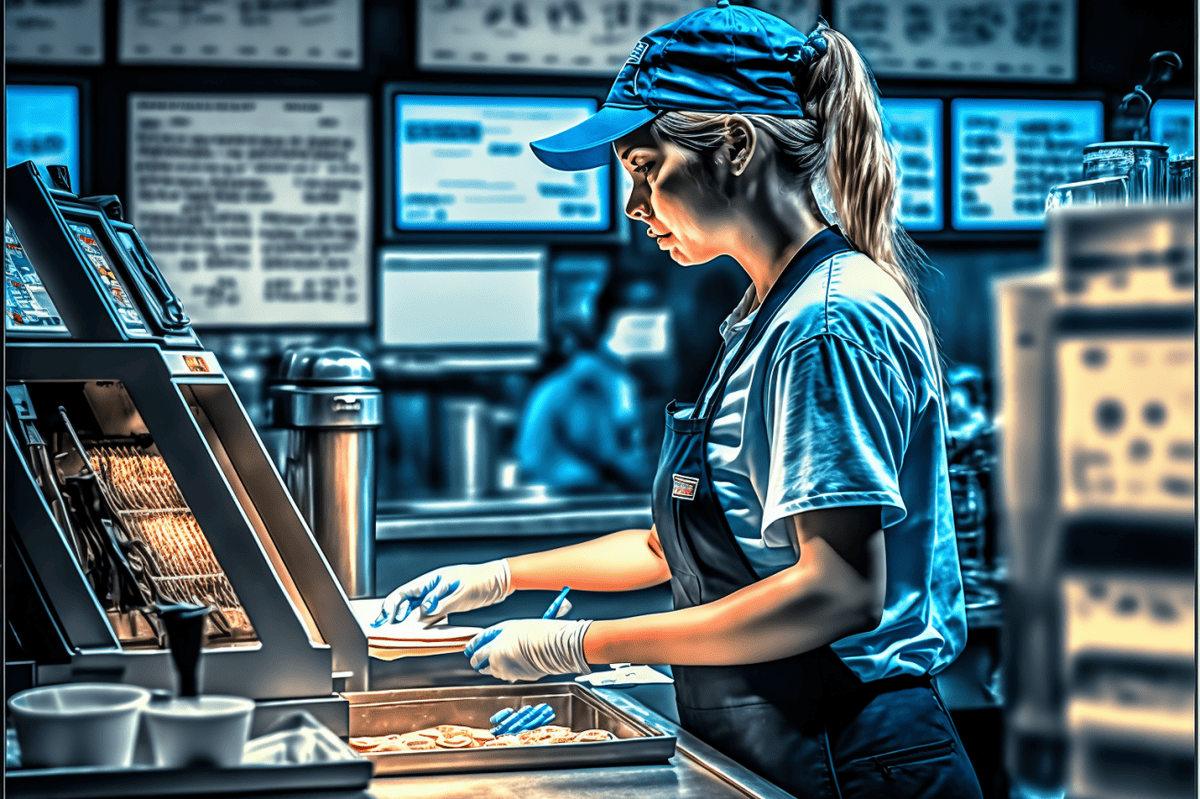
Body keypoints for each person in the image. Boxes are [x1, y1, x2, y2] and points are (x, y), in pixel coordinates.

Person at [376, 3, 983, 796]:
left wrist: (585, 645)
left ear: (734, 145)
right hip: (788, 737)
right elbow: (684, 547)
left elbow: (834, 589)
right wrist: (499, 576)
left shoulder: (827, 323)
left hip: (853, 750)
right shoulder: (763, 317)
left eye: (644, 168)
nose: (632, 207)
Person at [514, 275, 652, 493]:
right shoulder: (580, 383)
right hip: (571, 497)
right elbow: (601, 448)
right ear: (608, 320)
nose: (649, 322)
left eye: (652, 310)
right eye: (637, 311)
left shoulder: (625, 378)